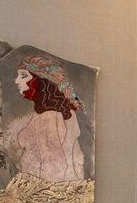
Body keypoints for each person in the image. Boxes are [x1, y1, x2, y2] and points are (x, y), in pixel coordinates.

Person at [9, 52, 86, 183]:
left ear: (40, 81)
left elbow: (53, 165)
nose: (16, 81)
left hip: (45, 189)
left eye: (23, 76)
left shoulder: (47, 117)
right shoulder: (64, 113)